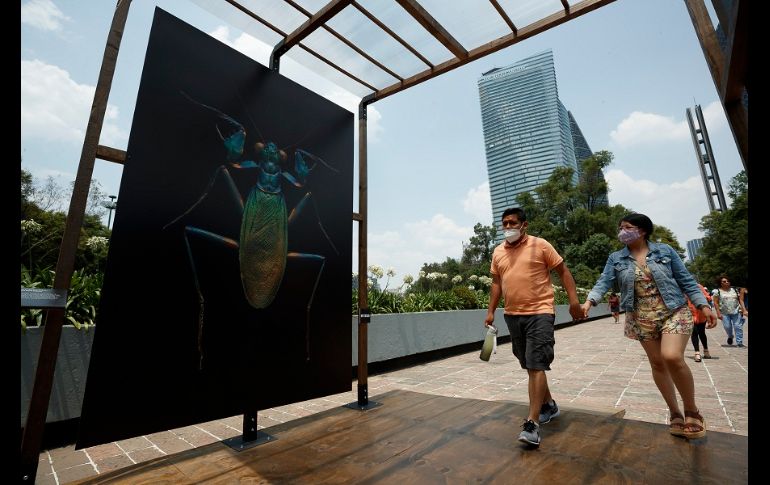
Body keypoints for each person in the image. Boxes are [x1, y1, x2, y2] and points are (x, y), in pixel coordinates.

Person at [580, 213, 716, 440]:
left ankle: (692, 411)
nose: (622, 231)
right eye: (621, 227)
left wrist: (703, 305)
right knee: (657, 363)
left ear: (642, 231)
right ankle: (675, 413)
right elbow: (603, 281)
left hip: (673, 310)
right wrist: (589, 301)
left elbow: (686, 280)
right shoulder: (616, 258)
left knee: (671, 356)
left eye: (628, 227)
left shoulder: (665, 251)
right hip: (640, 316)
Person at [484, 207, 583, 447]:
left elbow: (563, 271)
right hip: (512, 315)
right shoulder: (498, 251)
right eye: (504, 223)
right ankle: (549, 405)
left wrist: (574, 301)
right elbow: (497, 282)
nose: (508, 227)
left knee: (536, 363)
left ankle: (532, 424)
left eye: (512, 223)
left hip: (540, 313)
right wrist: (490, 311)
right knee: (528, 364)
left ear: (524, 225)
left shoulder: (541, 245)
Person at [712, 276, 748, 347]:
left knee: (738, 326)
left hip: (736, 311)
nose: (727, 282)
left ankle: (739, 342)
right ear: (720, 283)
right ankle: (730, 336)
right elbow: (715, 303)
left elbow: (741, 300)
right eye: (724, 281)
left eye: (728, 281)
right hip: (724, 313)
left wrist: (744, 310)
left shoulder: (735, 290)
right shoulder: (717, 291)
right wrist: (718, 313)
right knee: (727, 326)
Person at [686, 283, 712, 362]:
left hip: (701, 313)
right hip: (690, 313)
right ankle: (697, 352)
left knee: (701, 332)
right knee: (694, 332)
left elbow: (708, 297)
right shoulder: (683, 287)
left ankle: (706, 350)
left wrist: (703, 299)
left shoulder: (698, 286)